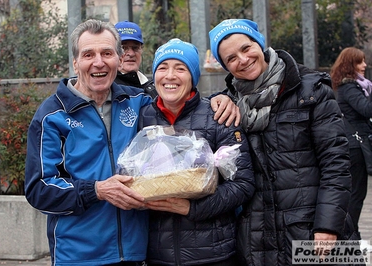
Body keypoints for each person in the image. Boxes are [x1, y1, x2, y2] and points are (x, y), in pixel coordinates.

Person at [24, 19, 239, 265]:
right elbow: (38, 190)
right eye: (88, 54)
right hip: (79, 255)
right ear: (75, 62)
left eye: (107, 53)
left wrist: (221, 99)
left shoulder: (138, 102)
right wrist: (96, 190)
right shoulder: (52, 116)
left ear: (118, 58)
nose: (99, 62)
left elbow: (179, 100)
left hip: (137, 253)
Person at [209, 19, 353, 265]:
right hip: (259, 238)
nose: (242, 60)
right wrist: (216, 99)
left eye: (246, 48)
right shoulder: (227, 104)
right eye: (231, 58)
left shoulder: (311, 90)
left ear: (260, 44)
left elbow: (336, 162)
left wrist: (328, 225)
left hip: (314, 230)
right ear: (225, 66)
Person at [138, 38, 255, 266]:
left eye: (180, 68)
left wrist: (192, 208)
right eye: (162, 68)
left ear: (193, 77)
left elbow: (243, 184)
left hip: (213, 254)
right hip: (157, 255)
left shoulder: (219, 116)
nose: (170, 76)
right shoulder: (142, 118)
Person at [330, 47, 372, 238]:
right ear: (349, 65)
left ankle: (351, 233)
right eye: (359, 62)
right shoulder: (349, 87)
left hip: (357, 144)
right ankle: (349, 235)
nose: (364, 65)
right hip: (355, 146)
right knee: (356, 195)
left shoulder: (355, 86)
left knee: (356, 194)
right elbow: (366, 110)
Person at [114, 20, 158, 98]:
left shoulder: (153, 87)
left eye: (135, 48)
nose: (131, 54)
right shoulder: (107, 89)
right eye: (123, 48)